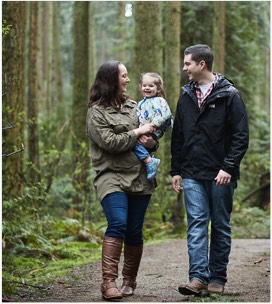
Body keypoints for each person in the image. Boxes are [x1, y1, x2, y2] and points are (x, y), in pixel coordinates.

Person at [171, 44, 249, 296]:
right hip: (193, 172)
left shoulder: (230, 95)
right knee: (196, 224)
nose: (185, 69)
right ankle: (197, 278)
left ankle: (217, 278)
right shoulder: (185, 96)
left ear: (201, 64)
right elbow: (178, 136)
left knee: (220, 225)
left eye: (187, 64)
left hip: (221, 175)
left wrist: (228, 167)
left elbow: (240, 136)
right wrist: (176, 170)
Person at [86, 60, 158, 301]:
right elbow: (110, 143)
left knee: (135, 231)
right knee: (118, 223)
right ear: (110, 80)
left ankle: (129, 281)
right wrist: (137, 133)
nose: (128, 80)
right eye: (124, 76)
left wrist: (151, 142)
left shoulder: (136, 106)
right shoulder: (96, 112)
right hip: (110, 176)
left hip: (139, 176)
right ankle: (108, 283)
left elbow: (152, 138)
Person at [134, 72, 173, 180]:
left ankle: (149, 161)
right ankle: (148, 162)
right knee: (134, 142)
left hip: (154, 130)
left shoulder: (160, 101)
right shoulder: (140, 103)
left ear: (158, 89)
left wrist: (154, 124)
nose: (147, 88)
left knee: (134, 143)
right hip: (143, 129)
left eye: (151, 86)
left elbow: (166, 114)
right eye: (144, 85)